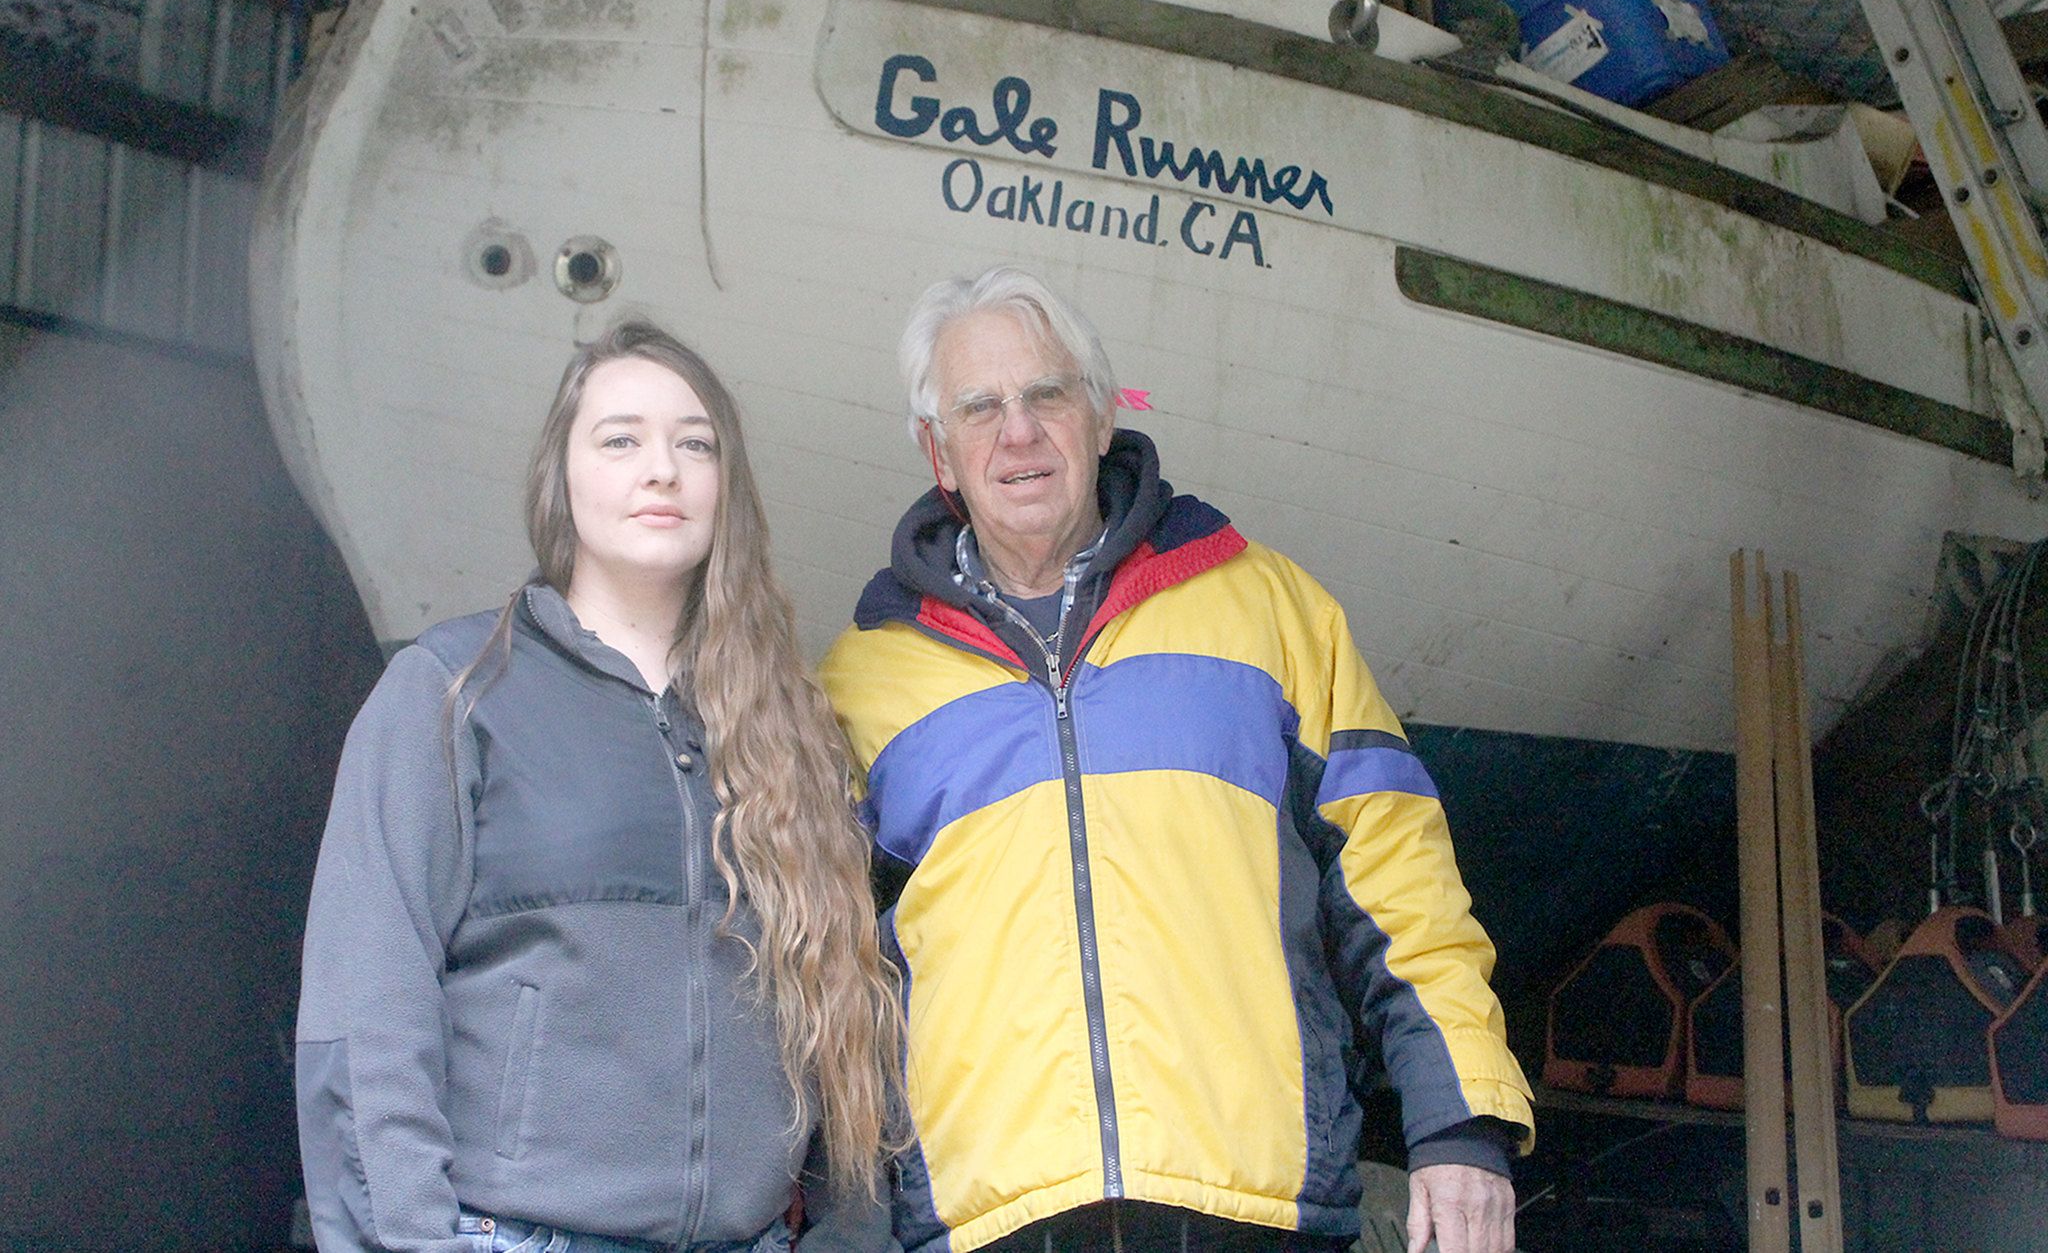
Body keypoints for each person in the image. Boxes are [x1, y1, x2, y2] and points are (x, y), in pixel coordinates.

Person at [819, 268, 1533, 1253]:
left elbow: (1397, 882)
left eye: (1046, 394)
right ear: (936, 451)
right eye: (977, 407)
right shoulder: (862, 682)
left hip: (1255, 1208)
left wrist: (1459, 1127)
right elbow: (812, 977)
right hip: (989, 1224)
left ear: (1101, 415)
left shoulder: (1270, 611)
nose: (1015, 431)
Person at [296, 321, 902, 1253]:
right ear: (562, 478)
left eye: (694, 443)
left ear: (724, 487)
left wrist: (851, 1236)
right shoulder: (455, 689)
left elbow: (848, 1022)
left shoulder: (793, 726)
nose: (661, 468)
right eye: (620, 439)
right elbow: (364, 1006)